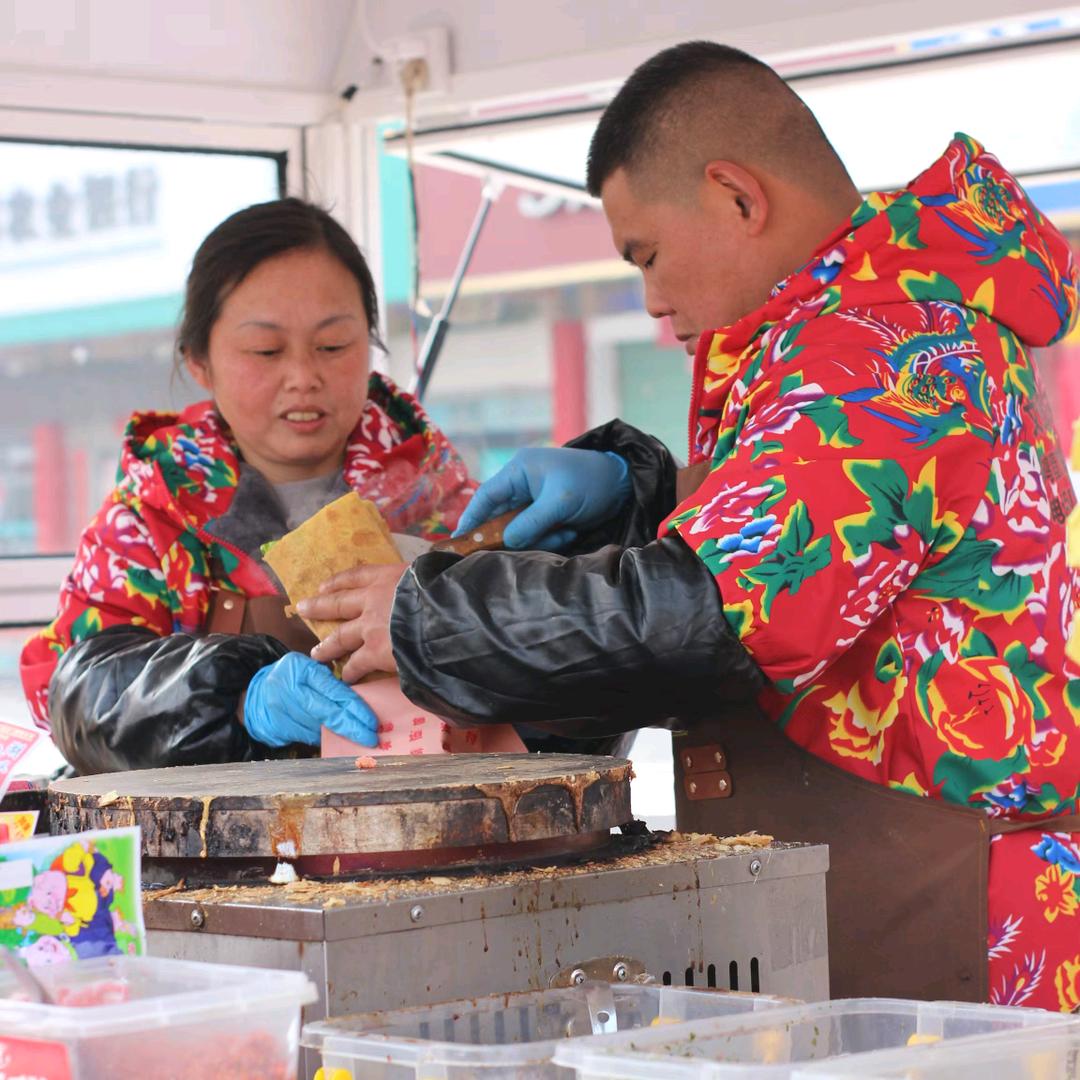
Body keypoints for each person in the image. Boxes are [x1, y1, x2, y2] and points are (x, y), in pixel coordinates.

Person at [300, 43, 1080, 1011]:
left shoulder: (880, 351)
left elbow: (703, 620)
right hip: (890, 882)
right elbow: (800, 529)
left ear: (738, 198)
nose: (649, 297)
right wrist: (644, 491)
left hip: (957, 910)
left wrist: (429, 618)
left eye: (648, 255)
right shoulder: (838, 333)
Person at [20, 198, 475, 775]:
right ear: (200, 362)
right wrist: (236, 697)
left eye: (333, 345)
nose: (304, 377)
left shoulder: (444, 498)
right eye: (266, 350)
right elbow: (77, 696)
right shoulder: (150, 520)